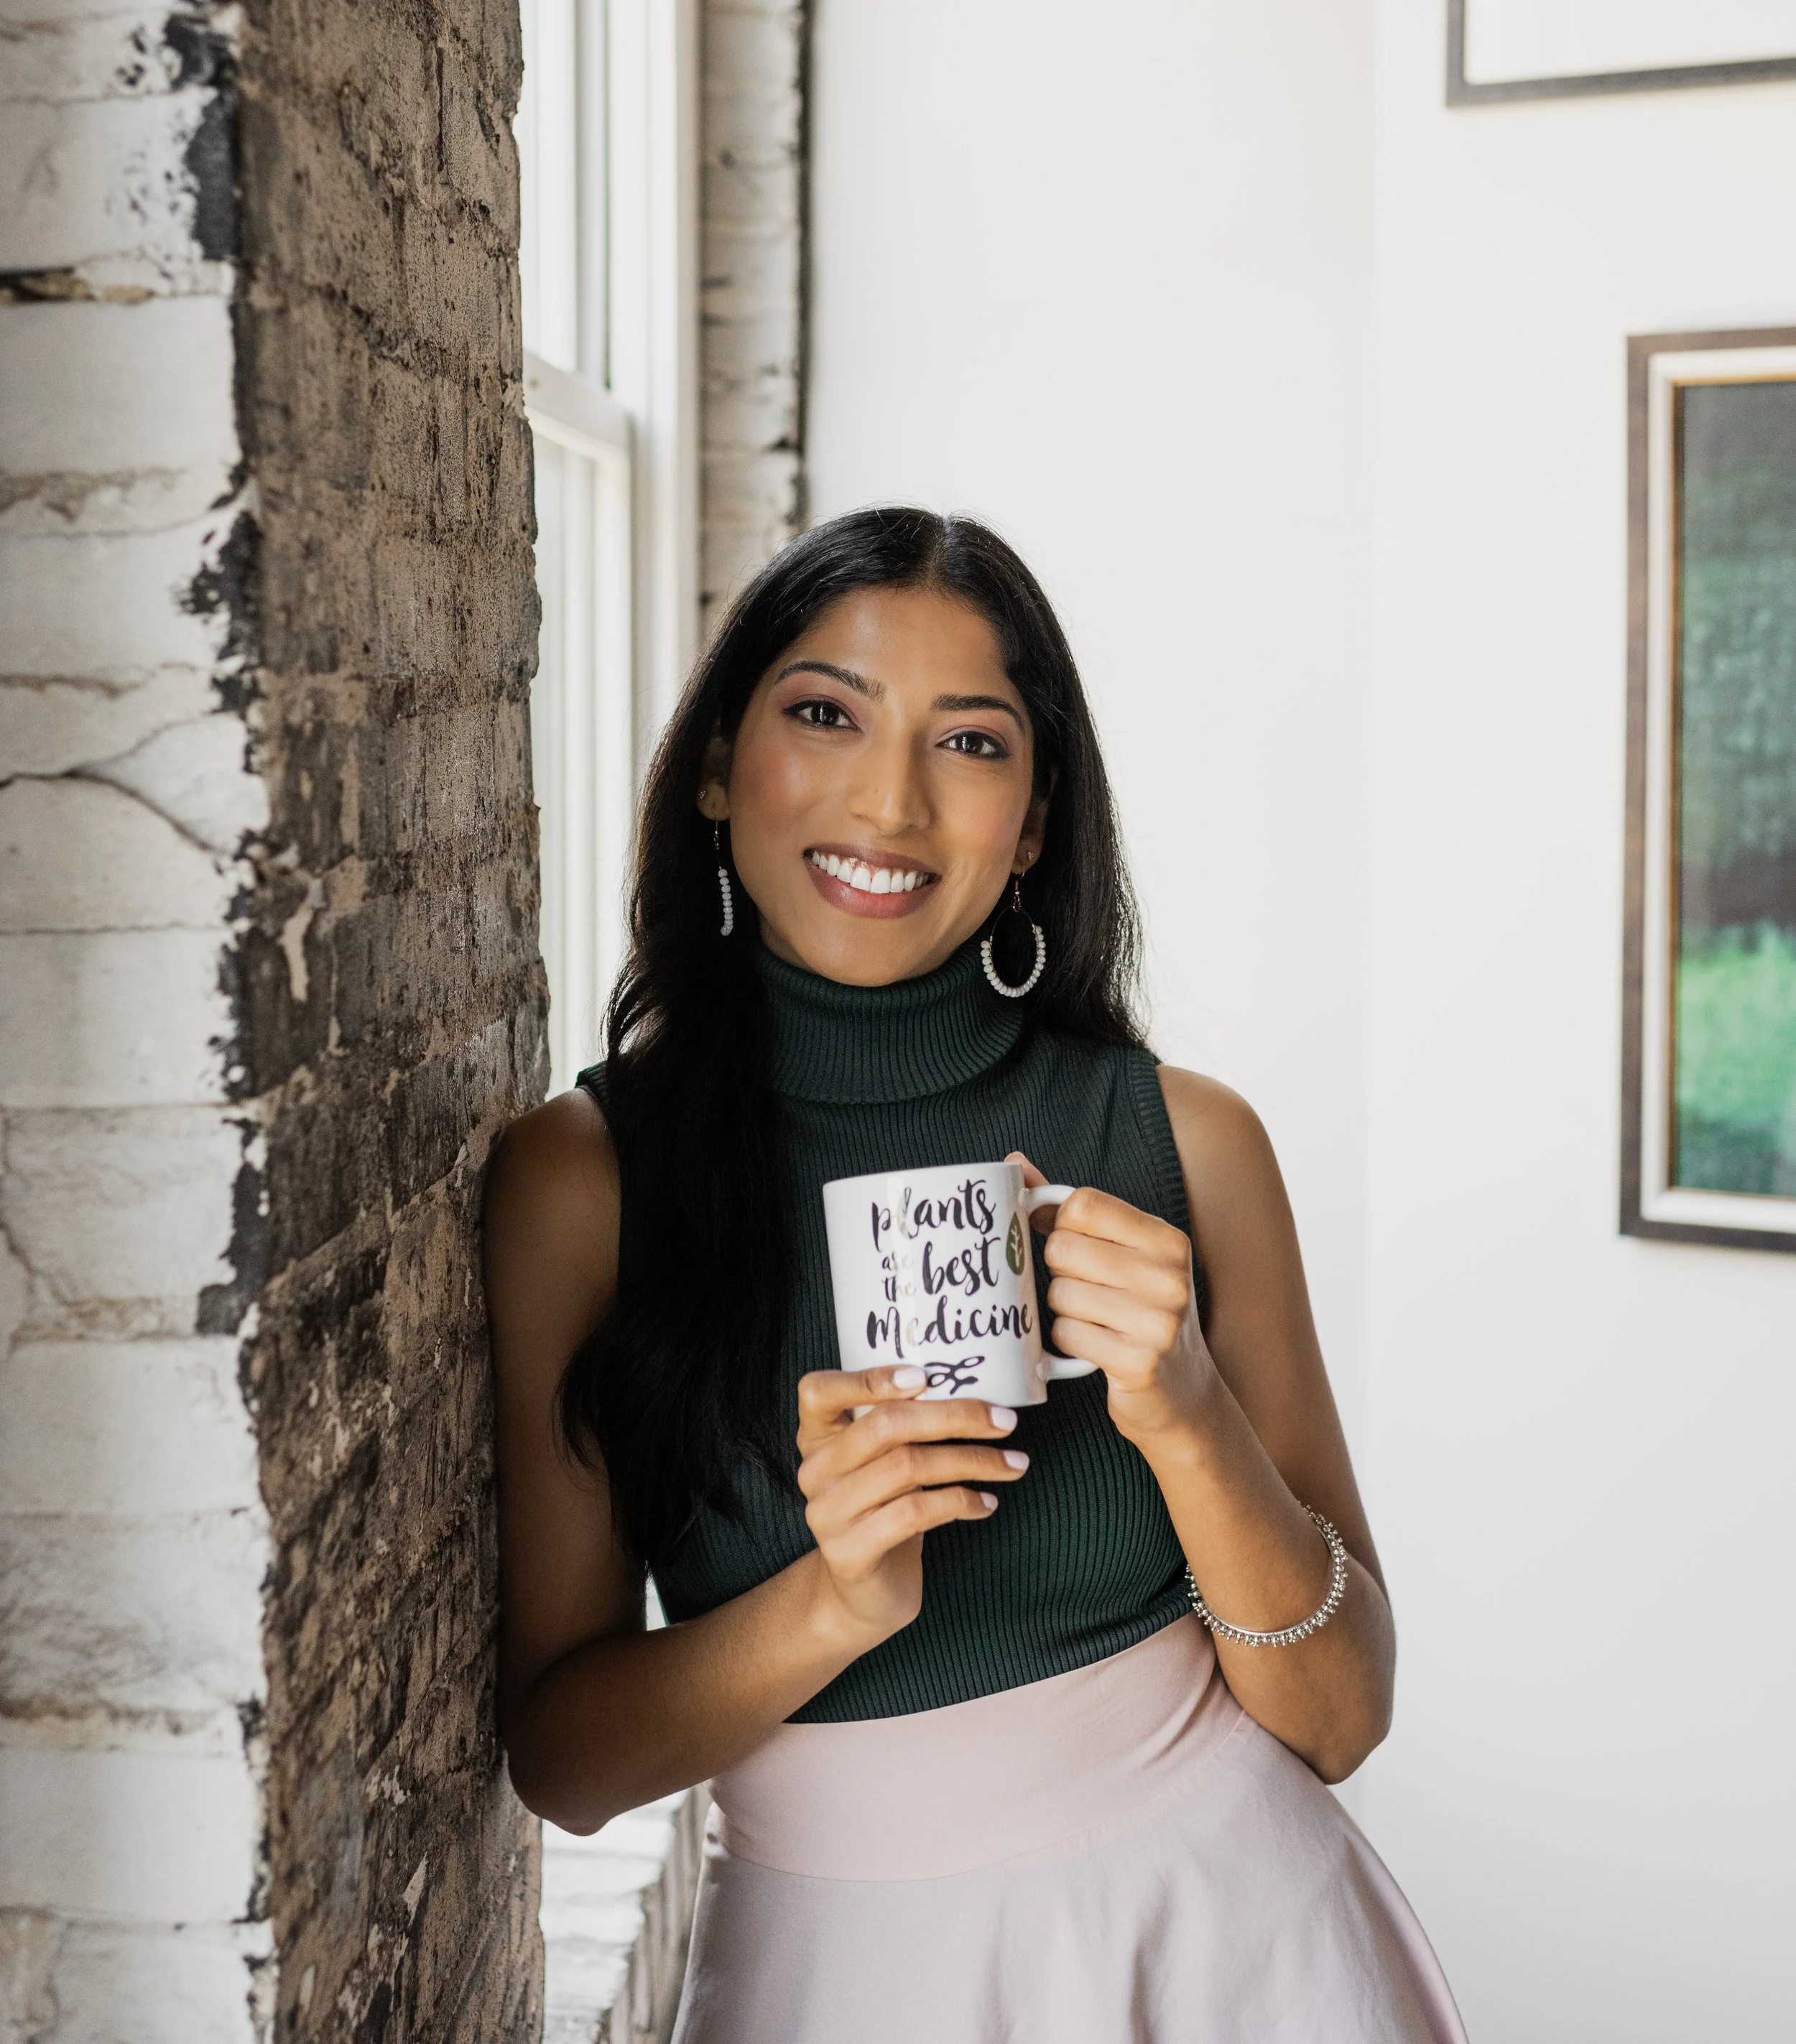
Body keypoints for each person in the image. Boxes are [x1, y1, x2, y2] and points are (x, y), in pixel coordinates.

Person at [483, 508, 1467, 2042]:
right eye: (825, 715)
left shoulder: (1184, 1142)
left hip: (1235, 1946)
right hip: (840, 1974)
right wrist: (834, 1601)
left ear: (1032, 817)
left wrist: (1185, 1412)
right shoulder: (582, 1182)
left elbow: (1340, 1719)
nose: (888, 803)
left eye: (970, 742)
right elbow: (566, 1762)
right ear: (712, 764)